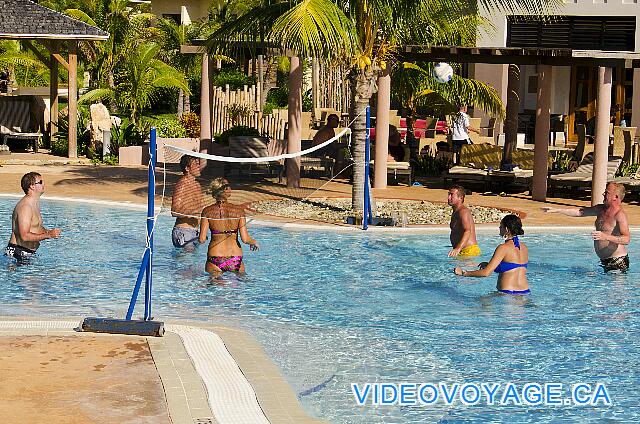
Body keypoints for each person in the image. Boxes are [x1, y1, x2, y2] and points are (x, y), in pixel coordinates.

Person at [542, 182, 630, 272]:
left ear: (616, 197)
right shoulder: (600, 209)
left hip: (618, 261)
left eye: (607, 192)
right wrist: (557, 210)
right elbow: (580, 212)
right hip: (605, 261)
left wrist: (606, 237)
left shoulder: (620, 215)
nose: (603, 194)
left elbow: (626, 239)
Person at [454, 214, 529, 295]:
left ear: (506, 229)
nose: (499, 228)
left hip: (508, 293)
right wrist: (489, 265)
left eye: (501, 226)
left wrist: (464, 273)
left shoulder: (503, 248)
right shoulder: (524, 247)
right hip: (525, 292)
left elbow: (486, 273)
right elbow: (513, 267)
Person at [198, 178, 258, 276]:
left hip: (215, 256)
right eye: (228, 186)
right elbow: (245, 239)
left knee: (213, 289)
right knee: (241, 288)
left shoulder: (207, 211)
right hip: (235, 258)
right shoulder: (239, 211)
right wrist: (254, 242)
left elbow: (201, 239)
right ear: (225, 190)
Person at [5, 172, 61, 263]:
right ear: (32, 186)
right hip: (17, 254)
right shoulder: (25, 207)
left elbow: (36, 227)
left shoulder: (33, 204)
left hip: (26, 253)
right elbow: (24, 236)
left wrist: (48, 231)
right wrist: (48, 235)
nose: (44, 184)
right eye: (41, 182)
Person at [171, 155, 203, 250]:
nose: (199, 167)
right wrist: (193, 212)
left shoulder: (197, 185)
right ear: (187, 168)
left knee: (192, 263)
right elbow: (174, 210)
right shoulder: (182, 185)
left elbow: (201, 209)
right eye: (196, 164)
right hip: (184, 231)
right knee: (186, 264)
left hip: (195, 232)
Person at [448, 185, 480, 257]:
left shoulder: (463, 211)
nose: (448, 198)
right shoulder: (456, 211)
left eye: (452, 195)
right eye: (448, 194)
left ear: (461, 197)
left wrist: (457, 249)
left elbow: (467, 231)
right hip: (462, 251)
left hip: (468, 251)